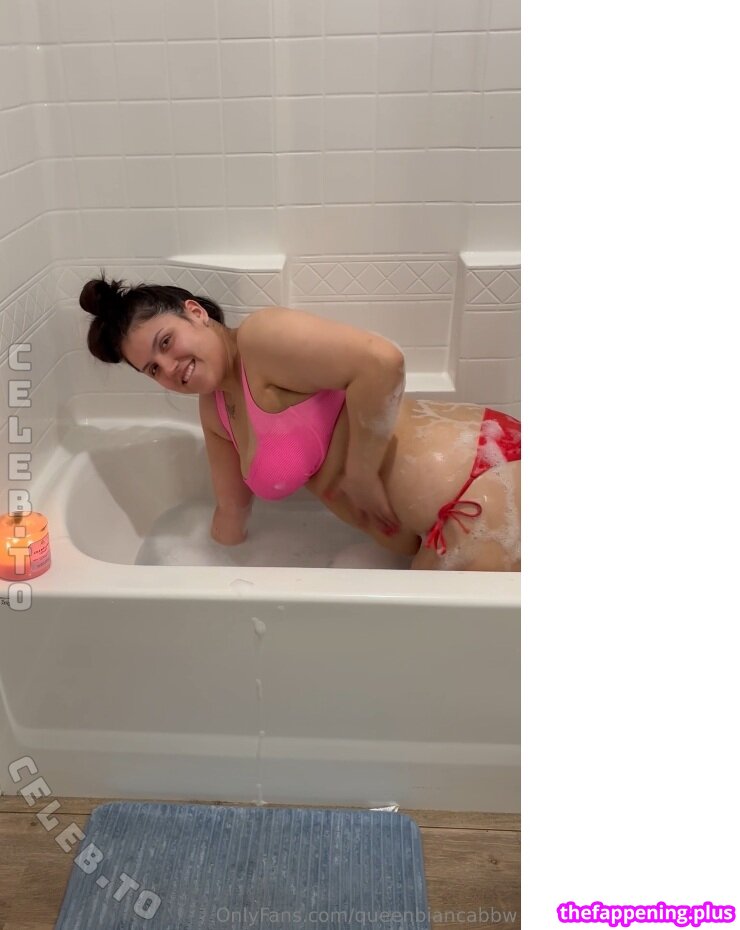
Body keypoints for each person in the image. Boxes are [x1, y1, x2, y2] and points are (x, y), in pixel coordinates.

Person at [80, 274, 520, 571]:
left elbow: (383, 362)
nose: (169, 367)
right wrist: (191, 574)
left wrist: (362, 472)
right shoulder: (215, 411)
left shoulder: (260, 340)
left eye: (166, 342)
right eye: (153, 369)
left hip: (486, 481)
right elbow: (231, 512)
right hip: (438, 530)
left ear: (195, 313)